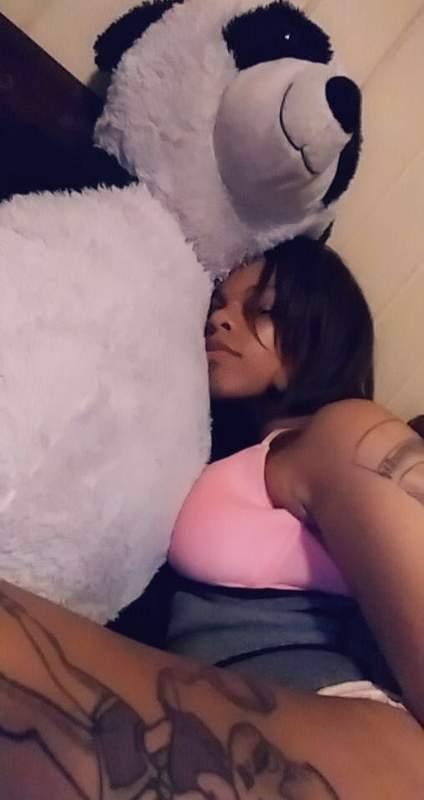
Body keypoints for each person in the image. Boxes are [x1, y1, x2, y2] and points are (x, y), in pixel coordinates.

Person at [0, 238, 424, 798]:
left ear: (319, 335)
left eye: (262, 309)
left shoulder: (345, 430)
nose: (221, 319)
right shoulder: (225, 451)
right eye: (220, 303)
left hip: (356, 746)